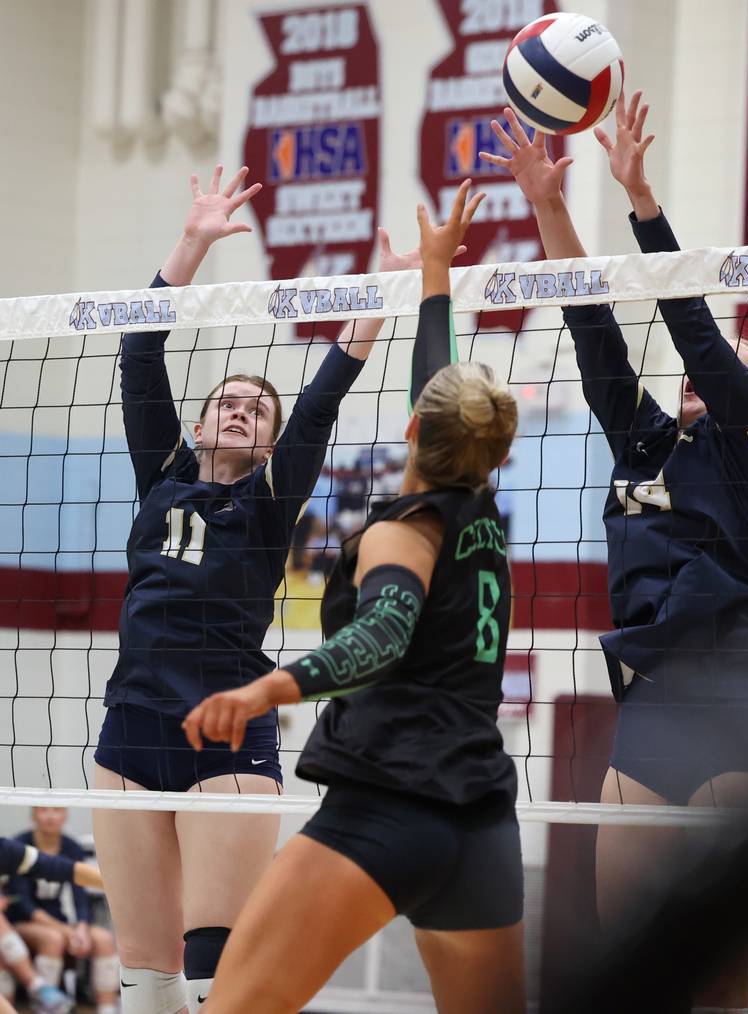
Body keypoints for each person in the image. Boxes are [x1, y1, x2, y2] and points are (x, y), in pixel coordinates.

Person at [91, 164, 443, 1014]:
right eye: (229, 402)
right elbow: (142, 347)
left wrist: (381, 301)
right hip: (128, 733)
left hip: (226, 730)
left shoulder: (272, 495)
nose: (243, 409)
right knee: (145, 978)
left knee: (219, 980)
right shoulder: (163, 476)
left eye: (259, 407)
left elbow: (322, 400)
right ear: (201, 423)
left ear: (269, 438)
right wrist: (193, 243)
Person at [181, 179, 525, 1014]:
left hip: (387, 806)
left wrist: (270, 685)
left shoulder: (401, 531)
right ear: (493, 452)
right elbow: (443, 393)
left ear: (413, 432)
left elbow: (384, 634)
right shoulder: (481, 512)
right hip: (481, 824)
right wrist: (434, 275)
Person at [481, 95, 748, 1013]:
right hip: (645, 718)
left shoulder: (744, 446)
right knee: (640, 976)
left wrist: (643, 199)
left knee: (724, 989)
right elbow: (592, 330)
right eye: (709, 366)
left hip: (731, 716)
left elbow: (693, 322)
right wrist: (548, 204)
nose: (710, 368)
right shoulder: (645, 443)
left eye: (738, 365)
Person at [7, 808, 115, 1014]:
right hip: (25, 922)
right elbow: (23, 905)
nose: (50, 816)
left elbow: (80, 895)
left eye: (57, 811)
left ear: (65, 815)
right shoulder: (18, 846)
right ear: (33, 815)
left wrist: (81, 928)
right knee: (53, 938)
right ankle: (48, 1006)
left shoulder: (71, 847)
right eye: (43, 811)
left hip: (63, 922)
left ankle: (107, 1008)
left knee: (103, 939)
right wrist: (67, 931)